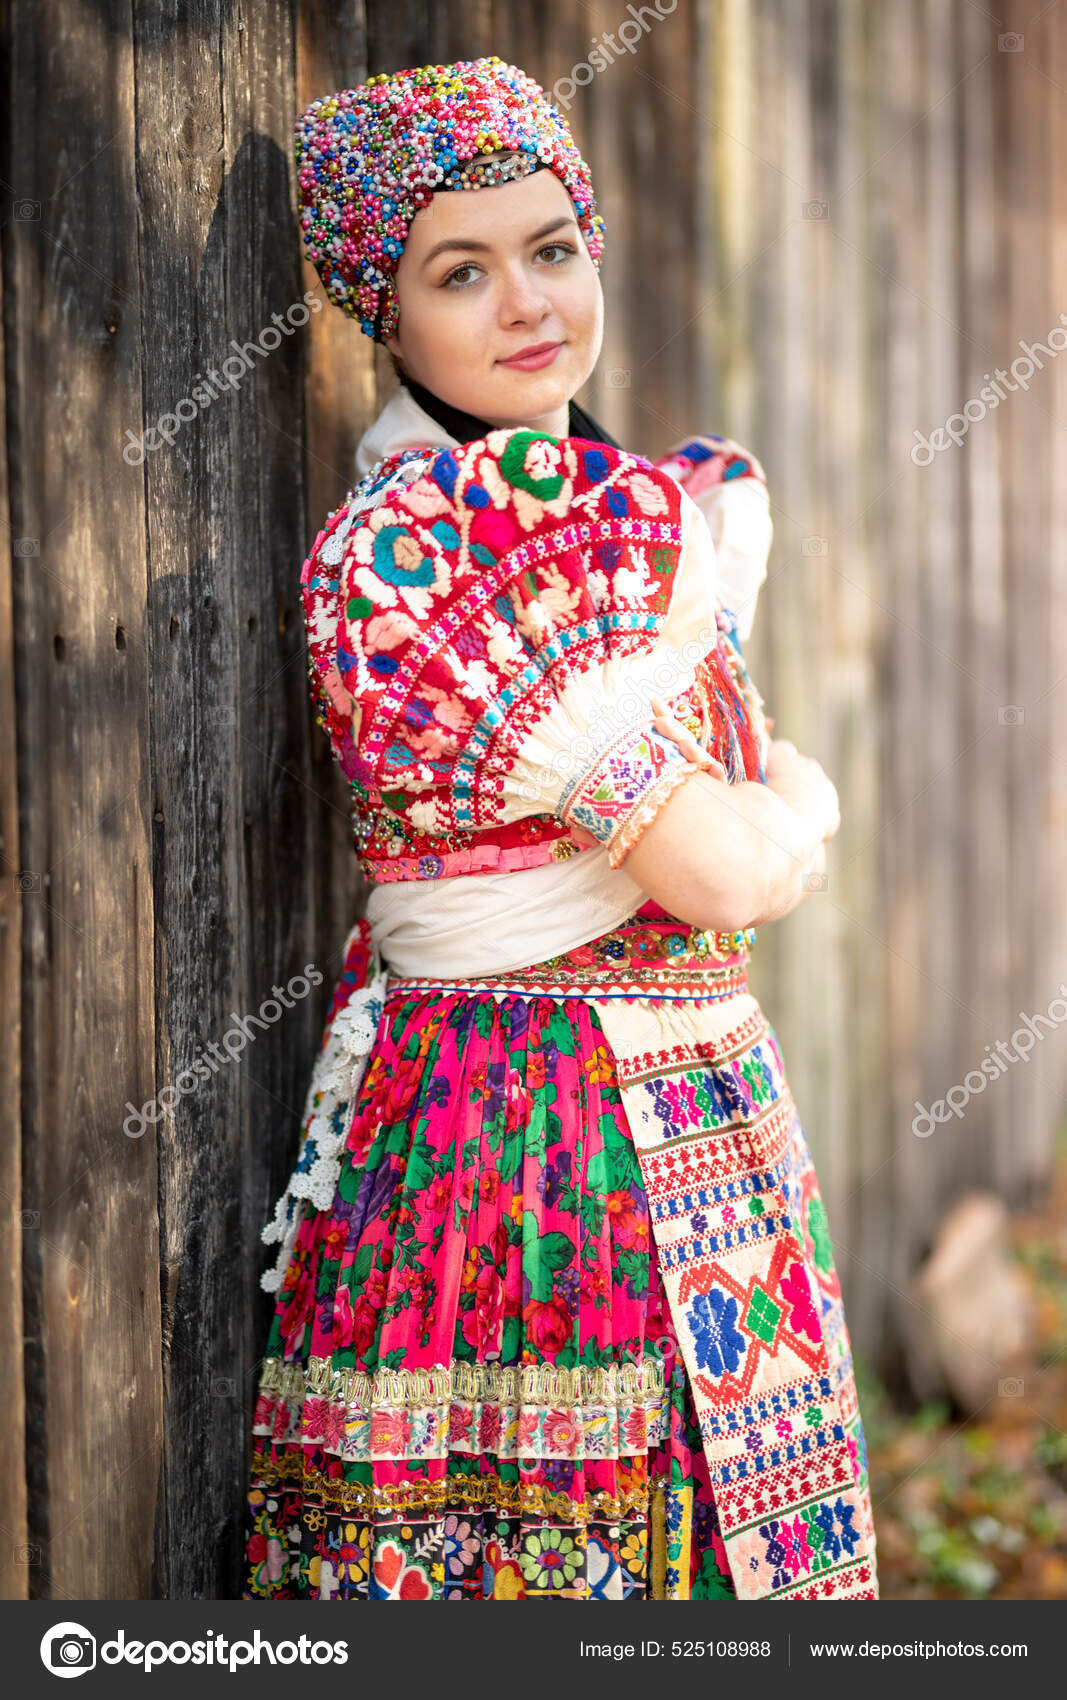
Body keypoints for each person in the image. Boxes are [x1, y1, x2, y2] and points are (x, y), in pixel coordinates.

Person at [241, 54, 878, 1602]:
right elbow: (732, 859)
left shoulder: (627, 515)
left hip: (701, 1090)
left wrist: (772, 804)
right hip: (528, 1130)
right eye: (461, 272)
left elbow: (746, 785)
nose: (529, 301)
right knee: (553, 1561)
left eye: (551, 248)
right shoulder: (429, 560)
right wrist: (799, 813)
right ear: (382, 313)